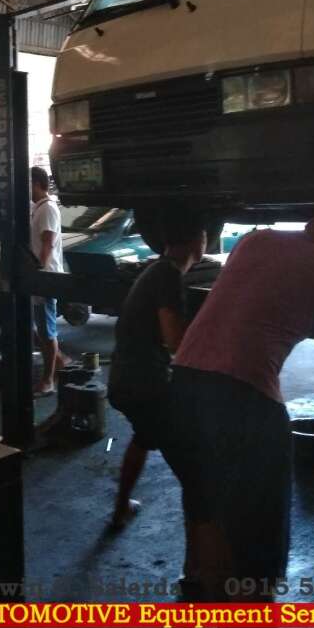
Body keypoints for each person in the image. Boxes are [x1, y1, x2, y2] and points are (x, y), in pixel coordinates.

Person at [162, 204, 314, 614]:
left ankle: (207, 597)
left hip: (184, 388)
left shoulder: (254, 241)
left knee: (209, 506)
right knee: (257, 542)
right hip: (244, 399)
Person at [108, 209, 207, 529]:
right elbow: (175, 341)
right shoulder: (168, 276)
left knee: (144, 436)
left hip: (125, 379)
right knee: (190, 461)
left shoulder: (157, 270)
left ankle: (121, 507)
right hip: (144, 384)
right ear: (198, 241)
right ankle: (209, 528)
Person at [30, 167, 64, 395]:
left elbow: (48, 243)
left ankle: (48, 381)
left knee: (46, 332)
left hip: (45, 278)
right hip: (38, 277)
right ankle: (60, 362)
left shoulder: (47, 209)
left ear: (36, 183)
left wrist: (39, 273)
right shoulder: (38, 208)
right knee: (39, 329)